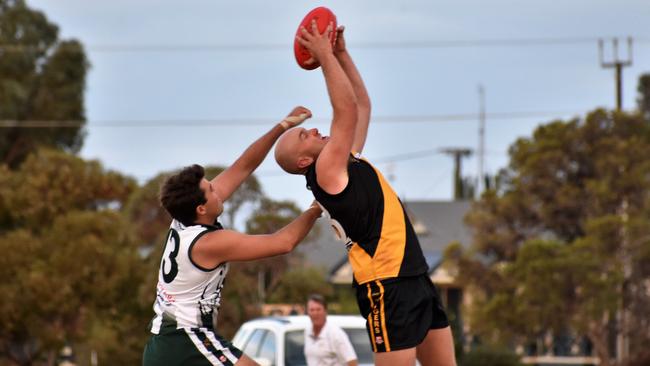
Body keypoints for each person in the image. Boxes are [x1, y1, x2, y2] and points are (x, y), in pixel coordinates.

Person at [275, 21, 457, 366]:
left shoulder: (343, 162)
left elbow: (361, 106)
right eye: (304, 136)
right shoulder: (325, 172)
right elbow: (345, 112)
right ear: (303, 161)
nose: (313, 129)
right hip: (386, 285)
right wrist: (325, 55)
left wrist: (342, 54)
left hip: (414, 277)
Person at [142, 107, 323, 366]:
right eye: (211, 190)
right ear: (201, 208)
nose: (218, 189)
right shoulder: (209, 243)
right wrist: (316, 208)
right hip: (185, 341)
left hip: (162, 344)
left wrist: (282, 126)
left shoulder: (184, 218)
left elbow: (243, 166)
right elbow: (284, 242)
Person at [304, 294, 358, 366]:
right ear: (308, 312)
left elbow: (352, 361)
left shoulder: (335, 333)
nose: (315, 313)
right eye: (312, 310)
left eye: (318, 309)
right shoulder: (308, 331)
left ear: (325, 311)